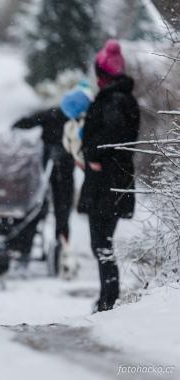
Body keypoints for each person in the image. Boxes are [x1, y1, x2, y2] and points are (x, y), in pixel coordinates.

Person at [79, 39, 140, 312]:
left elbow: (112, 135)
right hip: (117, 179)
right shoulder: (124, 98)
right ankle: (107, 296)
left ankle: (109, 299)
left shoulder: (113, 100)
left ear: (103, 73)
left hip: (107, 182)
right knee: (103, 242)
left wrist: (92, 154)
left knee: (101, 242)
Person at [12, 83, 91, 263]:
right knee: (62, 209)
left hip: (45, 168)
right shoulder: (78, 120)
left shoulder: (52, 114)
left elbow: (28, 122)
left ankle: (26, 246)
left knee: (37, 206)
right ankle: (62, 245)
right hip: (62, 170)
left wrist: (16, 127)